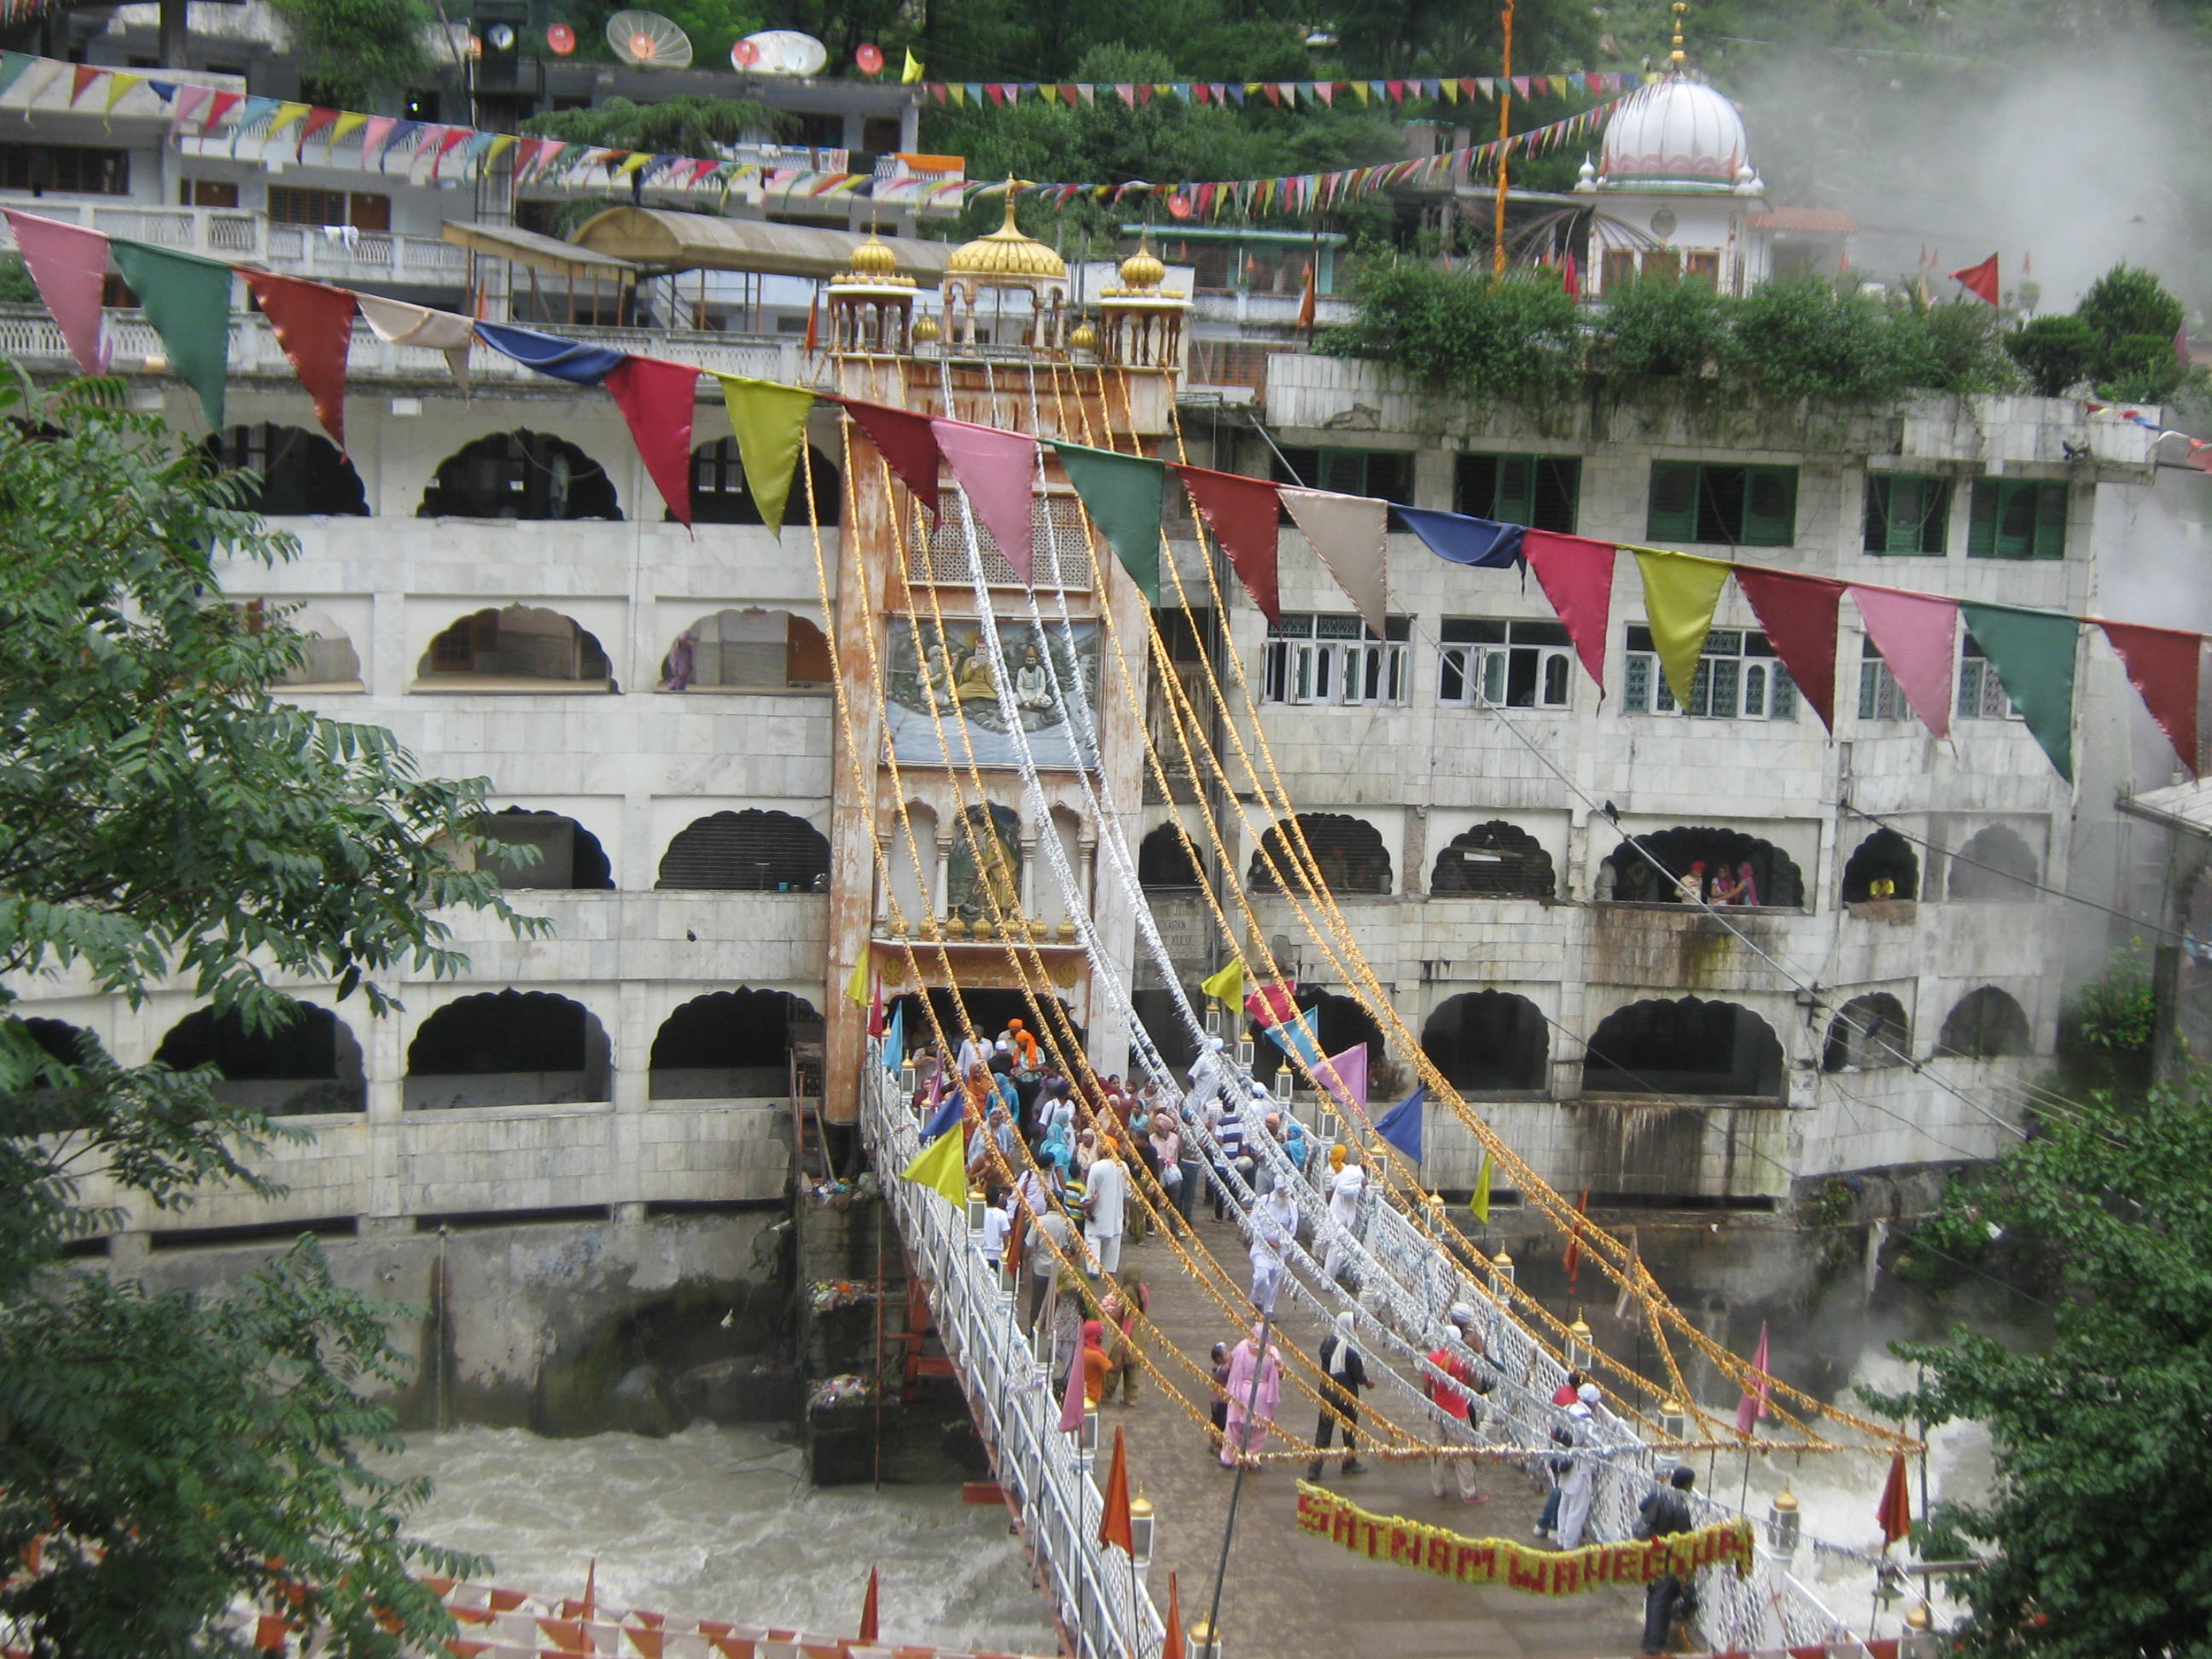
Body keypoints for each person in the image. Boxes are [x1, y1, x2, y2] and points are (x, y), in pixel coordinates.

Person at [1424, 1309, 1491, 1505]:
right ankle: (1468, 1492)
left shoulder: (1433, 1358)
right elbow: (1475, 1385)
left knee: (1437, 1451)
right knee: (1463, 1453)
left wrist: (1430, 1403)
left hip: (1437, 1409)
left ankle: (1438, 1488)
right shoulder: (1463, 1361)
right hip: (1458, 1411)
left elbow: (1427, 1386)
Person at [1637, 1465, 1698, 1655]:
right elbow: (1686, 1538)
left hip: (1652, 1551)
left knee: (1655, 1594)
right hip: (1669, 1558)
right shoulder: (1679, 1506)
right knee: (1660, 1598)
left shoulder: (1660, 1495)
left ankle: (1652, 1637)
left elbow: (1643, 1508)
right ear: (1687, 1485)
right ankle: (1654, 1644)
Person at [1307, 1310, 1369, 1481]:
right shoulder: (1351, 1350)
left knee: (1323, 1431)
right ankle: (1349, 1463)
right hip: (1346, 1395)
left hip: (1328, 1393)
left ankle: (1315, 1468)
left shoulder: (1328, 1343)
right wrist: (1367, 1382)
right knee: (1349, 1430)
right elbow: (1358, 1375)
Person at [1219, 1324, 1282, 1469]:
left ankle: (1228, 1458)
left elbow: (1231, 1363)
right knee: (1259, 1430)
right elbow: (1280, 1372)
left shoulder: (1242, 1346)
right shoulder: (1273, 1352)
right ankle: (1250, 1459)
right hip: (1262, 1394)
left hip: (1240, 1391)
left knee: (1233, 1428)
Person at [1025, 1192, 1075, 1334]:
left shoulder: (1039, 1221)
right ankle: (1054, 1334)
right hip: (1061, 1270)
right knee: (1058, 1305)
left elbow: (1029, 1246)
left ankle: (1034, 1332)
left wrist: (1026, 1261)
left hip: (1041, 1268)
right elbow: (1075, 1247)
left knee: (1038, 1303)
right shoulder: (1068, 1222)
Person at [1552, 1400, 1598, 1550]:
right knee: (1576, 1511)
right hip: (1580, 1470)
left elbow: (1551, 1422)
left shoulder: (1567, 1408)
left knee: (1564, 1506)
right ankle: (1569, 1546)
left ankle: (1561, 1540)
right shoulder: (1587, 1420)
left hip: (1565, 1464)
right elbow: (1595, 1444)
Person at [1100, 1270, 1147, 1406]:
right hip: (1138, 1336)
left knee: (1113, 1368)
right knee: (1133, 1369)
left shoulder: (1126, 1292)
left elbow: (1117, 1312)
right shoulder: (1141, 1290)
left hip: (1126, 1334)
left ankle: (1105, 1395)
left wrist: (1108, 1310)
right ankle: (1131, 1398)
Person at [1249, 1182, 1295, 1316]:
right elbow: (1254, 1220)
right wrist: (1264, 1239)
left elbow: (1292, 1228)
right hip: (1261, 1247)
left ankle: (1268, 1309)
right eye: (1280, 1190)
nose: (1282, 1194)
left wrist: (1280, 1242)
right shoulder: (1265, 1200)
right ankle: (1256, 1299)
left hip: (1279, 1250)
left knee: (1274, 1281)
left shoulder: (1291, 1206)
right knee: (1262, 1277)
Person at [1085, 1136, 1129, 1275]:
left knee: (1093, 1238)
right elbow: (1128, 1193)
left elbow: (1090, 1193)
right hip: (1116, 1211)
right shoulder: (1123, 1166)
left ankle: (1093, 1270)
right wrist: (1125, 1209)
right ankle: (1110, 1268)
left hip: (1097, 1210)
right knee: (1114, 1238)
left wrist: (1087, 1208)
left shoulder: (1096, 1167)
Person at [1323, 1147, 1367, 1283]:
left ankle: (1331, 1277)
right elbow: (1341, 1189)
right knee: (1335, 1250)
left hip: (1336, 1211)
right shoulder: (1355, 1174)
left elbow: (1335, 1183)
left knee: (1336, 1249)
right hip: (1341, 1215)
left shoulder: (1348, 1169)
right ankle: (1328, 1280)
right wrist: (1360, 1186)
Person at [1078, 1318, 1112, 1406]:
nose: (1101, 1338)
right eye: (1100, 1335)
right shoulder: (1095, 1355)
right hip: (1092, 1395)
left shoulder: (1081, 1350)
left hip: (1080, 1393)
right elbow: (1111, 1368)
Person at [980, 1184, 1012, 1272]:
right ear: (998, 1199)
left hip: (982, 1252)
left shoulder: (981, 1213)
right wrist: (1005, 1251)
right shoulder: (1002, 1214)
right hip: (997, 1254)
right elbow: (1006, 1234)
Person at [1207, 1341, 1232, 1452]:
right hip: (1220, 1402)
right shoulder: (1222, 1370)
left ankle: (1216, 1443)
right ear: (1220, 1360)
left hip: (1220, 1401)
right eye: (1226, 1354)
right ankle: (1216, 1444)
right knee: (1220, 1424)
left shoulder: (1221, 1368)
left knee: (1219, 1423)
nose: (1229, 1354)